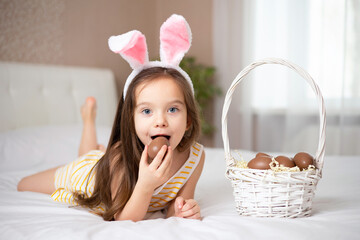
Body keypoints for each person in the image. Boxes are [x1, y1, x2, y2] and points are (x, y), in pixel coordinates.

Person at [17, 14, 205, 222]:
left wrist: (183, 210)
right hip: (88, 175)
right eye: (146, 111)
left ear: (188, 120)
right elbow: (123, 219)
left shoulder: (194, 157)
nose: (160, 121)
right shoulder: (119, 159)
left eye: (172, 109)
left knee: (94, 154)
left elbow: (175, 209)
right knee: (25, 184)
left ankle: (92, 133)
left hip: (105, 164)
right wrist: (145, 184)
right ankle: (89, 120)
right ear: (130, 122)